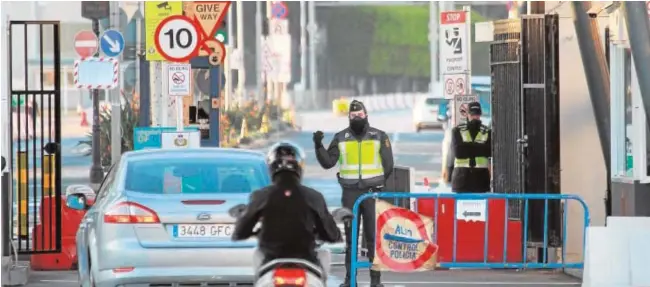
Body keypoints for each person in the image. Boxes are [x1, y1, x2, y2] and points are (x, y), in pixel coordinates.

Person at [313, 100, 394, 287]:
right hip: (350, 194)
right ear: (348, 117)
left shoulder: (379, 136)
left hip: (371, 194)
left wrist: (377, 183)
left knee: (373, 238)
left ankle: (376, 281)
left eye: (359, 115)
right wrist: (318, 146)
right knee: (351, 239)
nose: (356, 118)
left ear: (366, 115)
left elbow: (388, 165)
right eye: (353, 116)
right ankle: (350, 280)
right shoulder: (341, 137)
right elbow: (328, 162)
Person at [231, 142, 343, 270]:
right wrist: (333, 234)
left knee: (257, 254)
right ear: (299, 167)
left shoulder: (260, 196)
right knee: (325, 254)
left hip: (271, 260)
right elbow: (331, 234)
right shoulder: (314, 196)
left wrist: (249, 231)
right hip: (306, 259)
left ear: (271, 167)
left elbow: (240, 232)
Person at [449, 101, 492, 193]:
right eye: (472, 115)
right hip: (461, 180)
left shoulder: (487, 131)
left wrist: (467, 148)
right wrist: (480, 148)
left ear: (480, 115)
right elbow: (458, 153)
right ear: (467, 115)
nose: (475, 117)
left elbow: (489, 151)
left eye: (477, 115)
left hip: (481, 181)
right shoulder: (457, 130)